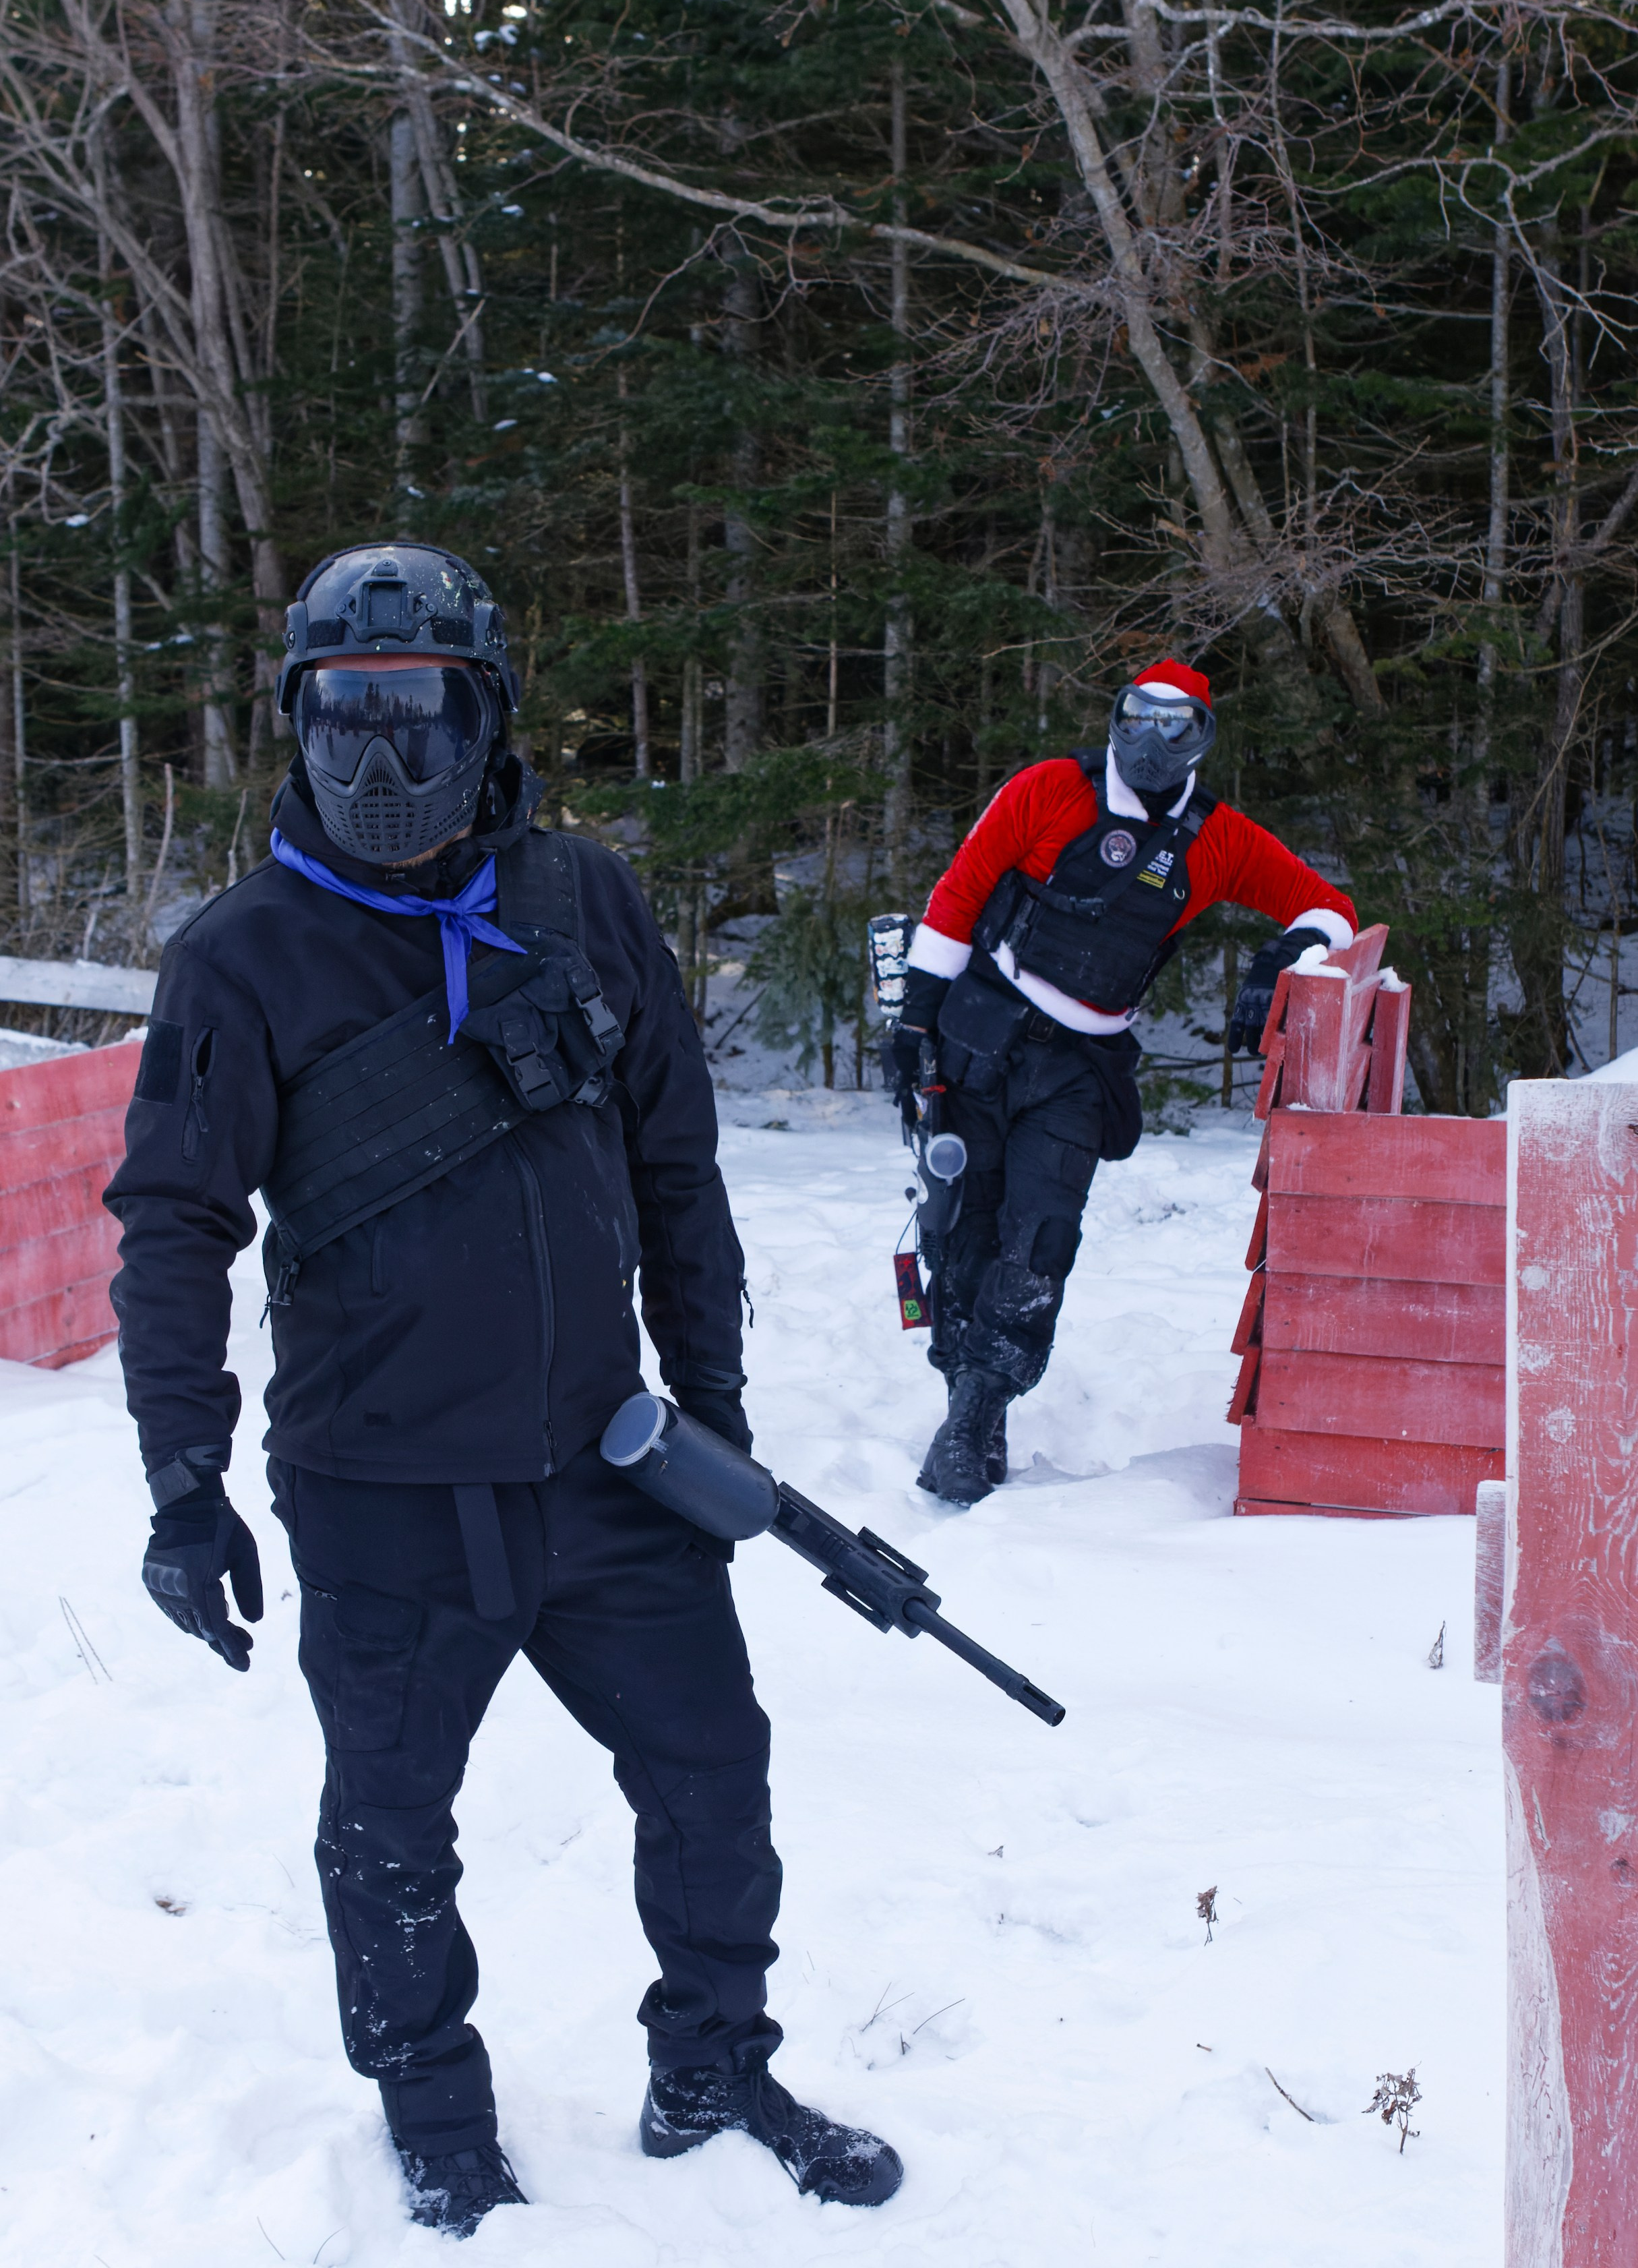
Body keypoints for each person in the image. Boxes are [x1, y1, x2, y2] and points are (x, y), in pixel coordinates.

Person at [107, 541, 902, 2238]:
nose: (381, 762)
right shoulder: (241, 960)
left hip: (607, 1462)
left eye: (421, 716)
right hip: (380, 1488)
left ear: (489, 720)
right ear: (295, 723)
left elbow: (678, 1167)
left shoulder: (584, 903)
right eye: (344, 717)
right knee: (390, 1826)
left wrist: (716, 1420)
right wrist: (187, 1477)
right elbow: (172, 1225)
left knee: (715, 1775)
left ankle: (713, 2063)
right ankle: (436, 2109)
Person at [888, 659, 1356, 1510]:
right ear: (1115, 718)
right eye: (1138, 718)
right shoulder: (1046, 790)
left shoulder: (1216, 838)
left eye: (1176, 726)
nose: (1151, 740)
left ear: (1200, 739)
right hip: (978, 1036)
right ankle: (968, 1397)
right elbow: (958, 895)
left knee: (1040, 1241)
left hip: (1079, 1069)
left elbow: (1328, 907)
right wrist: (913, 1024)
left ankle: (978, 1410)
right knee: (965, 1230)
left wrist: (1286, 954)